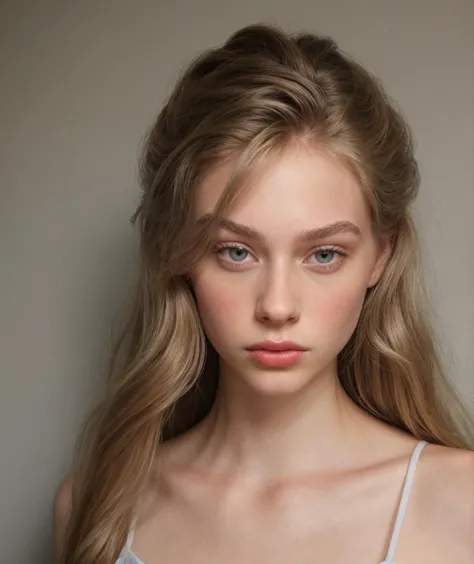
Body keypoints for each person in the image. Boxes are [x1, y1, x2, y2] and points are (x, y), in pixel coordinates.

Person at [53, 23, 474, 564]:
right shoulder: (96, 510)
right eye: (235, 251)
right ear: (181, 252)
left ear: (381, 256)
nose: (277, 307)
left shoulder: (462, 507)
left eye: (324, 254)